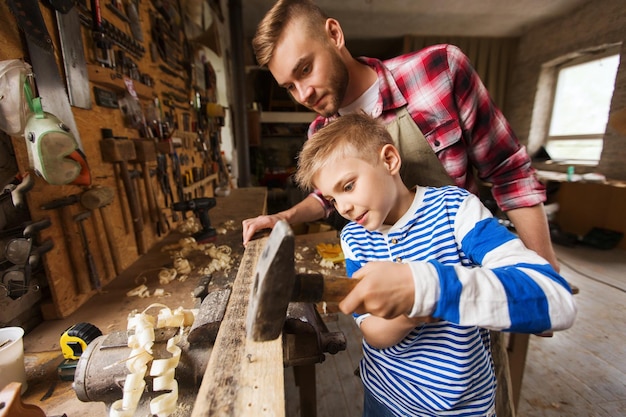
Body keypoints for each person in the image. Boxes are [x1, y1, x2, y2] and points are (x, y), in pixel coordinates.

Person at [242, 0, 558, 276]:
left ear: (334, 34)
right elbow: (327, 197)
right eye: (290, 87)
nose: (303, 94)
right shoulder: (320, 132)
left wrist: (543, 271)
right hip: (394, 291)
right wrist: (282, 218)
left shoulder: (438, 70)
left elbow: (508, 171)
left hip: (467, 277)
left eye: (306, 69)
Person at [294, 113, 576, 417]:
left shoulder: (455, 210)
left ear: (389, 160)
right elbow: (374, 332)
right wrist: (413, 312)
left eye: (348, 186)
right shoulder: (354, 237)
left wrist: (428, 287)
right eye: (333, 199)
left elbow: (555, 301)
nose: (344, 207)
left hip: (461, 407)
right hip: (385, 396)